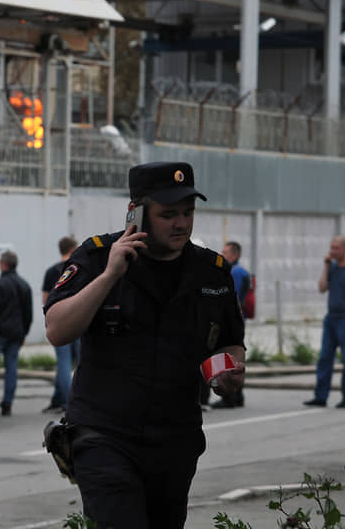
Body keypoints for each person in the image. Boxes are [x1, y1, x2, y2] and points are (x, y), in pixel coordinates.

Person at [43, 161, 246, 528]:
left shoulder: (211, 271)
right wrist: (110, 276)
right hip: (105, 436)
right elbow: (57, 329)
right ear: (135, 212)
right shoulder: (97, 257)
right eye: (168, 214)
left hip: (175, 440)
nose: (181, 223)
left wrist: (229, 371)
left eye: (188, 213)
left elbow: (231, 342)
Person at [304, 235, 345, 409]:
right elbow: (321, 288)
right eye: (331, 248)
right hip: (331, 318)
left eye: (336, 248)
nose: (333, 251)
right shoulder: (332, 268)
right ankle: (321, 396)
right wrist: (326, 266)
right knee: (325, 357)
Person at [0, 250, 33, 416]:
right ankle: (7, 405)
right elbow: (29, 314)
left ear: (3, 264)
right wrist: (24, 333)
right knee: (11, 369)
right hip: (16, 333)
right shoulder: (24, 285)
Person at [41, 236, 81, 414]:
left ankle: (60, 399)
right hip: (79, 319)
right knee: (79, 362)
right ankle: (69, 402)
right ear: (73, 249)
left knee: (63, 363)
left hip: (59, 321)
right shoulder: (80, 267)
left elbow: (45, 300)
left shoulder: (51, 271)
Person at [210, 241, 250, 409]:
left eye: (225, 252)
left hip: (229, 321)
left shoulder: (236, 272)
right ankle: (238, 396)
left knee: (227, 357)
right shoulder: (237, 270)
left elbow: (232, 295)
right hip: (234, 319)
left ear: (235, 254)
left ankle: (230, 397)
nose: (222, 254)